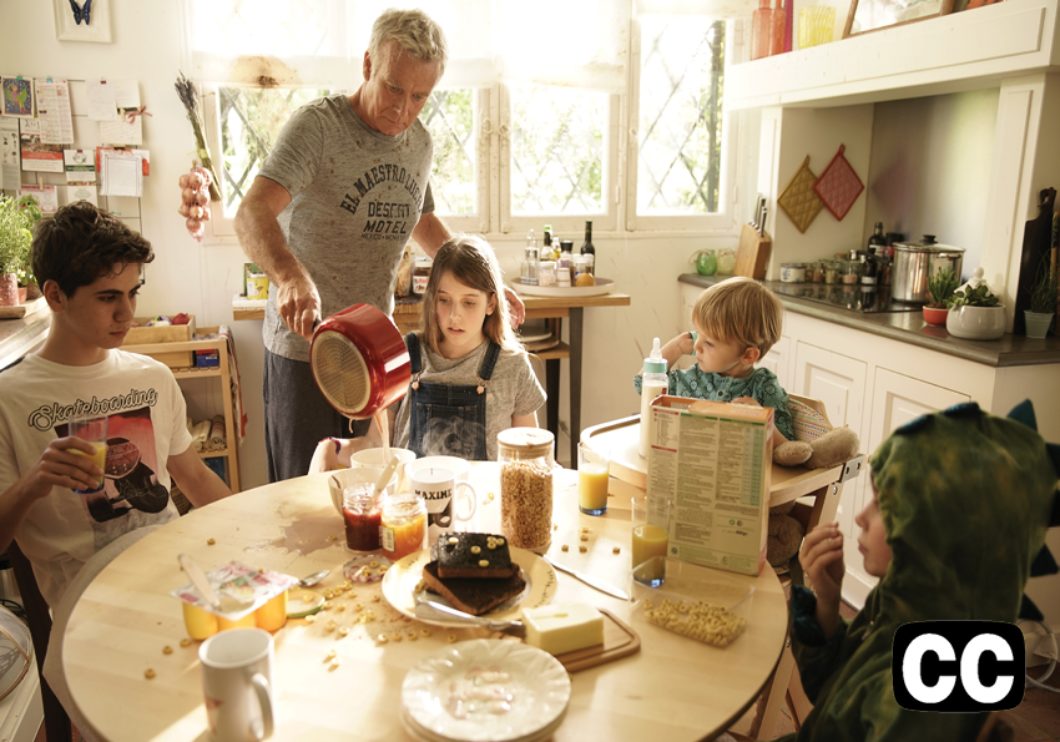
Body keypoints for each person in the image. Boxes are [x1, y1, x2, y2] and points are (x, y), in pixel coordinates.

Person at [186, 8, 524, 482]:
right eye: (393, 88)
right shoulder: (318, 129)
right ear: (368, 65)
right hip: (305, 349)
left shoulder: (419, 144)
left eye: (419, 97)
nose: (402, 109)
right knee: (302, 494)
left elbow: (421, 220)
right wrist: (289, 277)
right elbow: (251, 212)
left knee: (376, 487)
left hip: (377, 354)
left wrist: (487, 284)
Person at [0, 201, 232, 611]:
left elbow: (195, 477)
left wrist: (252, 535)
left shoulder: (153, 377)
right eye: (108, 297)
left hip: (176, 576)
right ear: (55, 295)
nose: (127, 314)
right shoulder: (10, 398)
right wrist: (33, 483)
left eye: (132, 293)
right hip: (87, 606)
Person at [785, 401, 1056, 740]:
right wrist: (827, 599)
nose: (861, 517)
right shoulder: (903, 606)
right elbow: (835, 694)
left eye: (883, 504)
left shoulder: (943, 676)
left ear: (938, 535)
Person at [310, 235, 545, 469]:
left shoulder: (513, 366)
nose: (455, 315)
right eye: (444, 300)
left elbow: (531, 456)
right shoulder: (402, 357)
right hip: (411, 501)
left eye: (469, 302)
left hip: (483, 500)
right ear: (432, 298)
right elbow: (376, 444)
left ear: (491, 303)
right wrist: (330, 449)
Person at [634, 276, 794, 447]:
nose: (696, 345)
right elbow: (642, 384)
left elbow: (788, 446)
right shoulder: (693, 378)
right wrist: (677, 347)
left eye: (709, 342)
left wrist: (764, 420)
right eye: (697, 334)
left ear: (748, 356)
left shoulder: (764, 388)